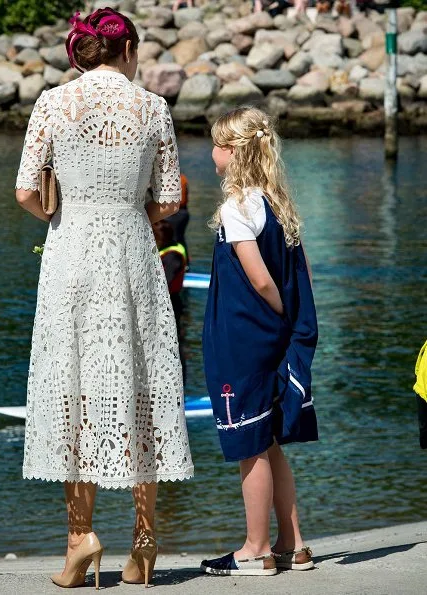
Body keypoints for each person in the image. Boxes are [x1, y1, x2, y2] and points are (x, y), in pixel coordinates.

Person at [15, 8, 193, 589]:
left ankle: (79, 539)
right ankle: (144, 548)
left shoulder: (52, 103)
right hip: (131, 252)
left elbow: (24, 191)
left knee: (72, 388)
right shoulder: (152, 108)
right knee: (140, 385)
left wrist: (57, 213)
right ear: (129, 50)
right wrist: (130, 213)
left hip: (71, 256)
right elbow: (168, 200)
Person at [200, 107, 318, 576]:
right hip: (277, 339)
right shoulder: (278, 201)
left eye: (216, 145)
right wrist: (290, 325)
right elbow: (301, 272)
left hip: (246, 338)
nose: (211, 152)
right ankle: (294, 545)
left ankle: (256, 549)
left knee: (249, 443)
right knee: (270, 442)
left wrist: (276, 315)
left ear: (232, 153)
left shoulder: (237, 207)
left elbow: (261, 280)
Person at [153, 219, 188, 381]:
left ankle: (179, 384)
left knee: (173, 344)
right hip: (167, 303)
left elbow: (165, 282)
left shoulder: (172, 255)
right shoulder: (171, 250)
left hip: (171, 304)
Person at [166, 172, 190, 266]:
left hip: (175, 212)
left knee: (174, 239)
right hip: (182, 212)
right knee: (179, 238)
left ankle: (179, 264)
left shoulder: (175, 178)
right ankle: (185, 264)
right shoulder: (182, 177)